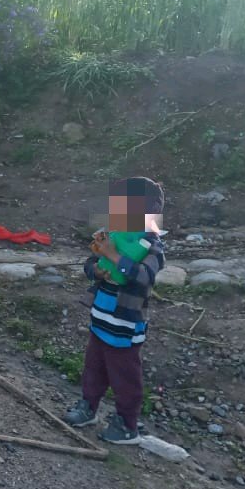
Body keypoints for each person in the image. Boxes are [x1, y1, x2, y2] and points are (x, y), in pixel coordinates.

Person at [63, 177, 166, 444]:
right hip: (100, 320)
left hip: (125, 326)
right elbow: (91, 263)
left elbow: (143, 276)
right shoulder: (114, 236)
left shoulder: (151, 247)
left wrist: (113, 256)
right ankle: (88, 406)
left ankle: (126, 424)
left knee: (125, 377)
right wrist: (95, 267)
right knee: (93, 368)